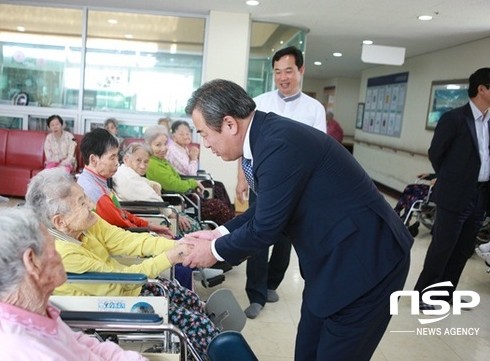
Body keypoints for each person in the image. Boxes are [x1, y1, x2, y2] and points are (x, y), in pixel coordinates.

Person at [181, 79, 413, 360]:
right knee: (307, 350)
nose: (205, 144)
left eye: (205, 134)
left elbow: (265, 228)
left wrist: (213, 252)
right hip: (331, 259)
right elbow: (266, 209)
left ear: (229, 124)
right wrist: (217, 234)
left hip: (368, 261)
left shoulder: (278, 144)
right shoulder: (264, 139)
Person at [25, 167, 227, 358]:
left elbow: (127, 241)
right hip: (110, 303)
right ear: (60, 221)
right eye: (81, 202)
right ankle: (212, 343)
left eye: (85, 196)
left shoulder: (85, 223)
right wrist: (171, 256)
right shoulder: (60, 254)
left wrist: (175, 244)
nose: (91, 205)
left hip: (129, 287)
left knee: (188, 299)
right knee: (196, 326)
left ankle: (204, 339)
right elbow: (120, 283)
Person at [0, 206, 147, 361]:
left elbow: (78, 343)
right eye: (54, 247)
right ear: (32, 261)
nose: (61, 254)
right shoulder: (28, 352)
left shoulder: (29, 310)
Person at [236, 46, 327, 319]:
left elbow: (320, 151)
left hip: (298, 189)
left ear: (301, 71)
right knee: (258, 236)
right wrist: (241, 178)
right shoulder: (259, 103)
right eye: (278, 71)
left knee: (286, 239)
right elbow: (244, 146)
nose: (283, 77)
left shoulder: (314, 109)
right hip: (262, 183)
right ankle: (255, 293)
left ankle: (271, 283)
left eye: (289, 70)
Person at [414, 67, 490, 309]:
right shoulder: (455, 118)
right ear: (482, 89)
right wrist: (451, 178)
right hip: (455, 194)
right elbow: (436, 153)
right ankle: (423, 295)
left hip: (481, 196)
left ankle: (446, 294)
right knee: (443, 247)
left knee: (463, 249)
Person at [76, 128, 173, 238]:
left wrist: (147, 225)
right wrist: (149, 233)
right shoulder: (95, 192)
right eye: (112, 157)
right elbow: (121, 226)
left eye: (117, 156)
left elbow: (120, 214)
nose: (117, 163)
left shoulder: (92, 180)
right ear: (93, 160)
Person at [144, 125, 235, 226]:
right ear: (148, 145)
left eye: (165, 144)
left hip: (183, 196)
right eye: (158, 145)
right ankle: (229, 231)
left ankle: (231, 226)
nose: (163, 148)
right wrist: (193, 183)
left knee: (218, 192)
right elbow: (174, 185)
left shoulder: (161, 160)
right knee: (218, 207)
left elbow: (176, 179)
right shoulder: (153, 164)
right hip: (177, 201)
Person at [113, 142, 201, 236]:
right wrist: (174, 216)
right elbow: (155, 200)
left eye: (146, 161)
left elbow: (145, 186)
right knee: (193, 226)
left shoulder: (123, 171)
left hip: (146, 214)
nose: (143, 166)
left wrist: (154, 185)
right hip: (147, 217)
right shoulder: (130, 179)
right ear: (126, 159)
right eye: (138, 160)